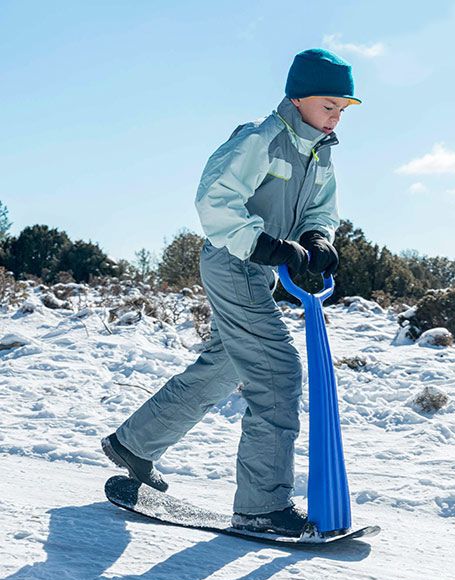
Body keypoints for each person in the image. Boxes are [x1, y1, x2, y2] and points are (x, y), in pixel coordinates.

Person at [101, 48, 361, 536]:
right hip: (233, 261)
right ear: (298, 97)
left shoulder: (320, 153)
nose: (336, 117)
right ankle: (261, 506)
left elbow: (321, 210)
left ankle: (135, 444)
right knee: (277, 372)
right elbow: (215, 198)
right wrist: (262, 243)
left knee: (226, 365)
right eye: (329, 105)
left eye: (343, 109)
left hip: (257, 270)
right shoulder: (261, 138)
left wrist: (316, 239)